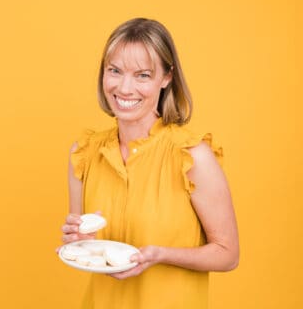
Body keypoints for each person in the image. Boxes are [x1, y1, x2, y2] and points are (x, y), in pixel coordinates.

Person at [60, 17, 239, 309]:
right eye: (114, 71)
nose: (125, 88)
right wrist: (77, 239)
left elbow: (228, 254)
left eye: (142, 75)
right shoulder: (84, 153)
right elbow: (84, 242)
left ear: (166, 78)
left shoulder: (192, 156)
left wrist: (160, 255)